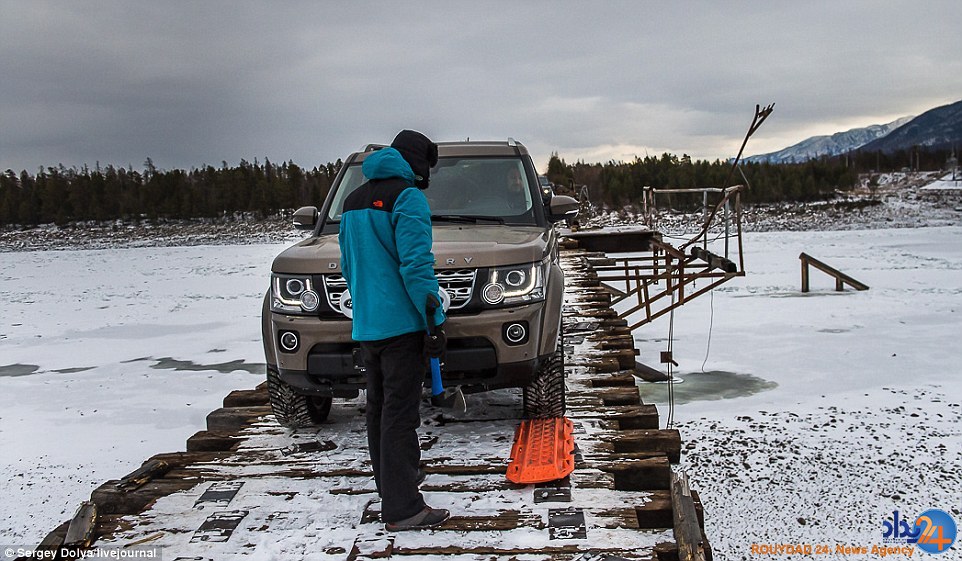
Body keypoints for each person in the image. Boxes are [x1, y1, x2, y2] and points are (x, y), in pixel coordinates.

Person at [338, 130, 450, 531]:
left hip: (368, 324)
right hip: (403, 325)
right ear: (418, 163)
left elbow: (349, 266)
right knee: (400, 415)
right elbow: (416, 266)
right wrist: (434, 319)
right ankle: (404, 509)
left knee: (379, 409)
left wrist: (367, 308)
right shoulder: (408, 198)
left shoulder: (353, 201)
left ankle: (392, 484)